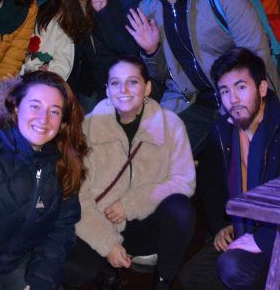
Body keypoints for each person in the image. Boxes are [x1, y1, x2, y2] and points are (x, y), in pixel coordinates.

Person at [124, 0, 280, 153]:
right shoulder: (148, 8)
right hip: (191, 103)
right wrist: (151, 51)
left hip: (242, 98)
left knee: (244, 168)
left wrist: (242, 102)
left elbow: (256, 56)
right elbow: (161, 75)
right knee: (149, 156)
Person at [186, 49, 280, 290]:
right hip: (241, 228)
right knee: (194, 277)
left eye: (241, 87)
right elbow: (210, 187)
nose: (233, 99)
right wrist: (222, 225)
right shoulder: (222, 131)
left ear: (262, 89)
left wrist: (262, 239)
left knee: (232, 268)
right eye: (225, 91)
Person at [65, 56, 196, 290]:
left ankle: (164, 279)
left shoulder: (170, 125)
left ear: (147, 88)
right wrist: (108, 244)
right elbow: (79, 197)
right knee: (75, 270)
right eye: (115, 83)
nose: (123, 90)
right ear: (107, 89)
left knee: (181, 210)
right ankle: (108, 271)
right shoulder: (87, 128)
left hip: (147, 222)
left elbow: (183, 181)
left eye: (132, 82)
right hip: (101, 221)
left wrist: (131, 204)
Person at [0, 72, 85, 290]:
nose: (43, 119)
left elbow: (61, 229)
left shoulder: (62, 165)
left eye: (54, 111)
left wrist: (40, 281)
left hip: (17, 265)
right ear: (16, 107)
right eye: (35, 106)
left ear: (62, 121)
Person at [51, 0, 142, 108]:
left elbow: (130, 49)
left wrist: (104, 12)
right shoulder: (66, 4)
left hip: (124, 90)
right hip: (90, 92)